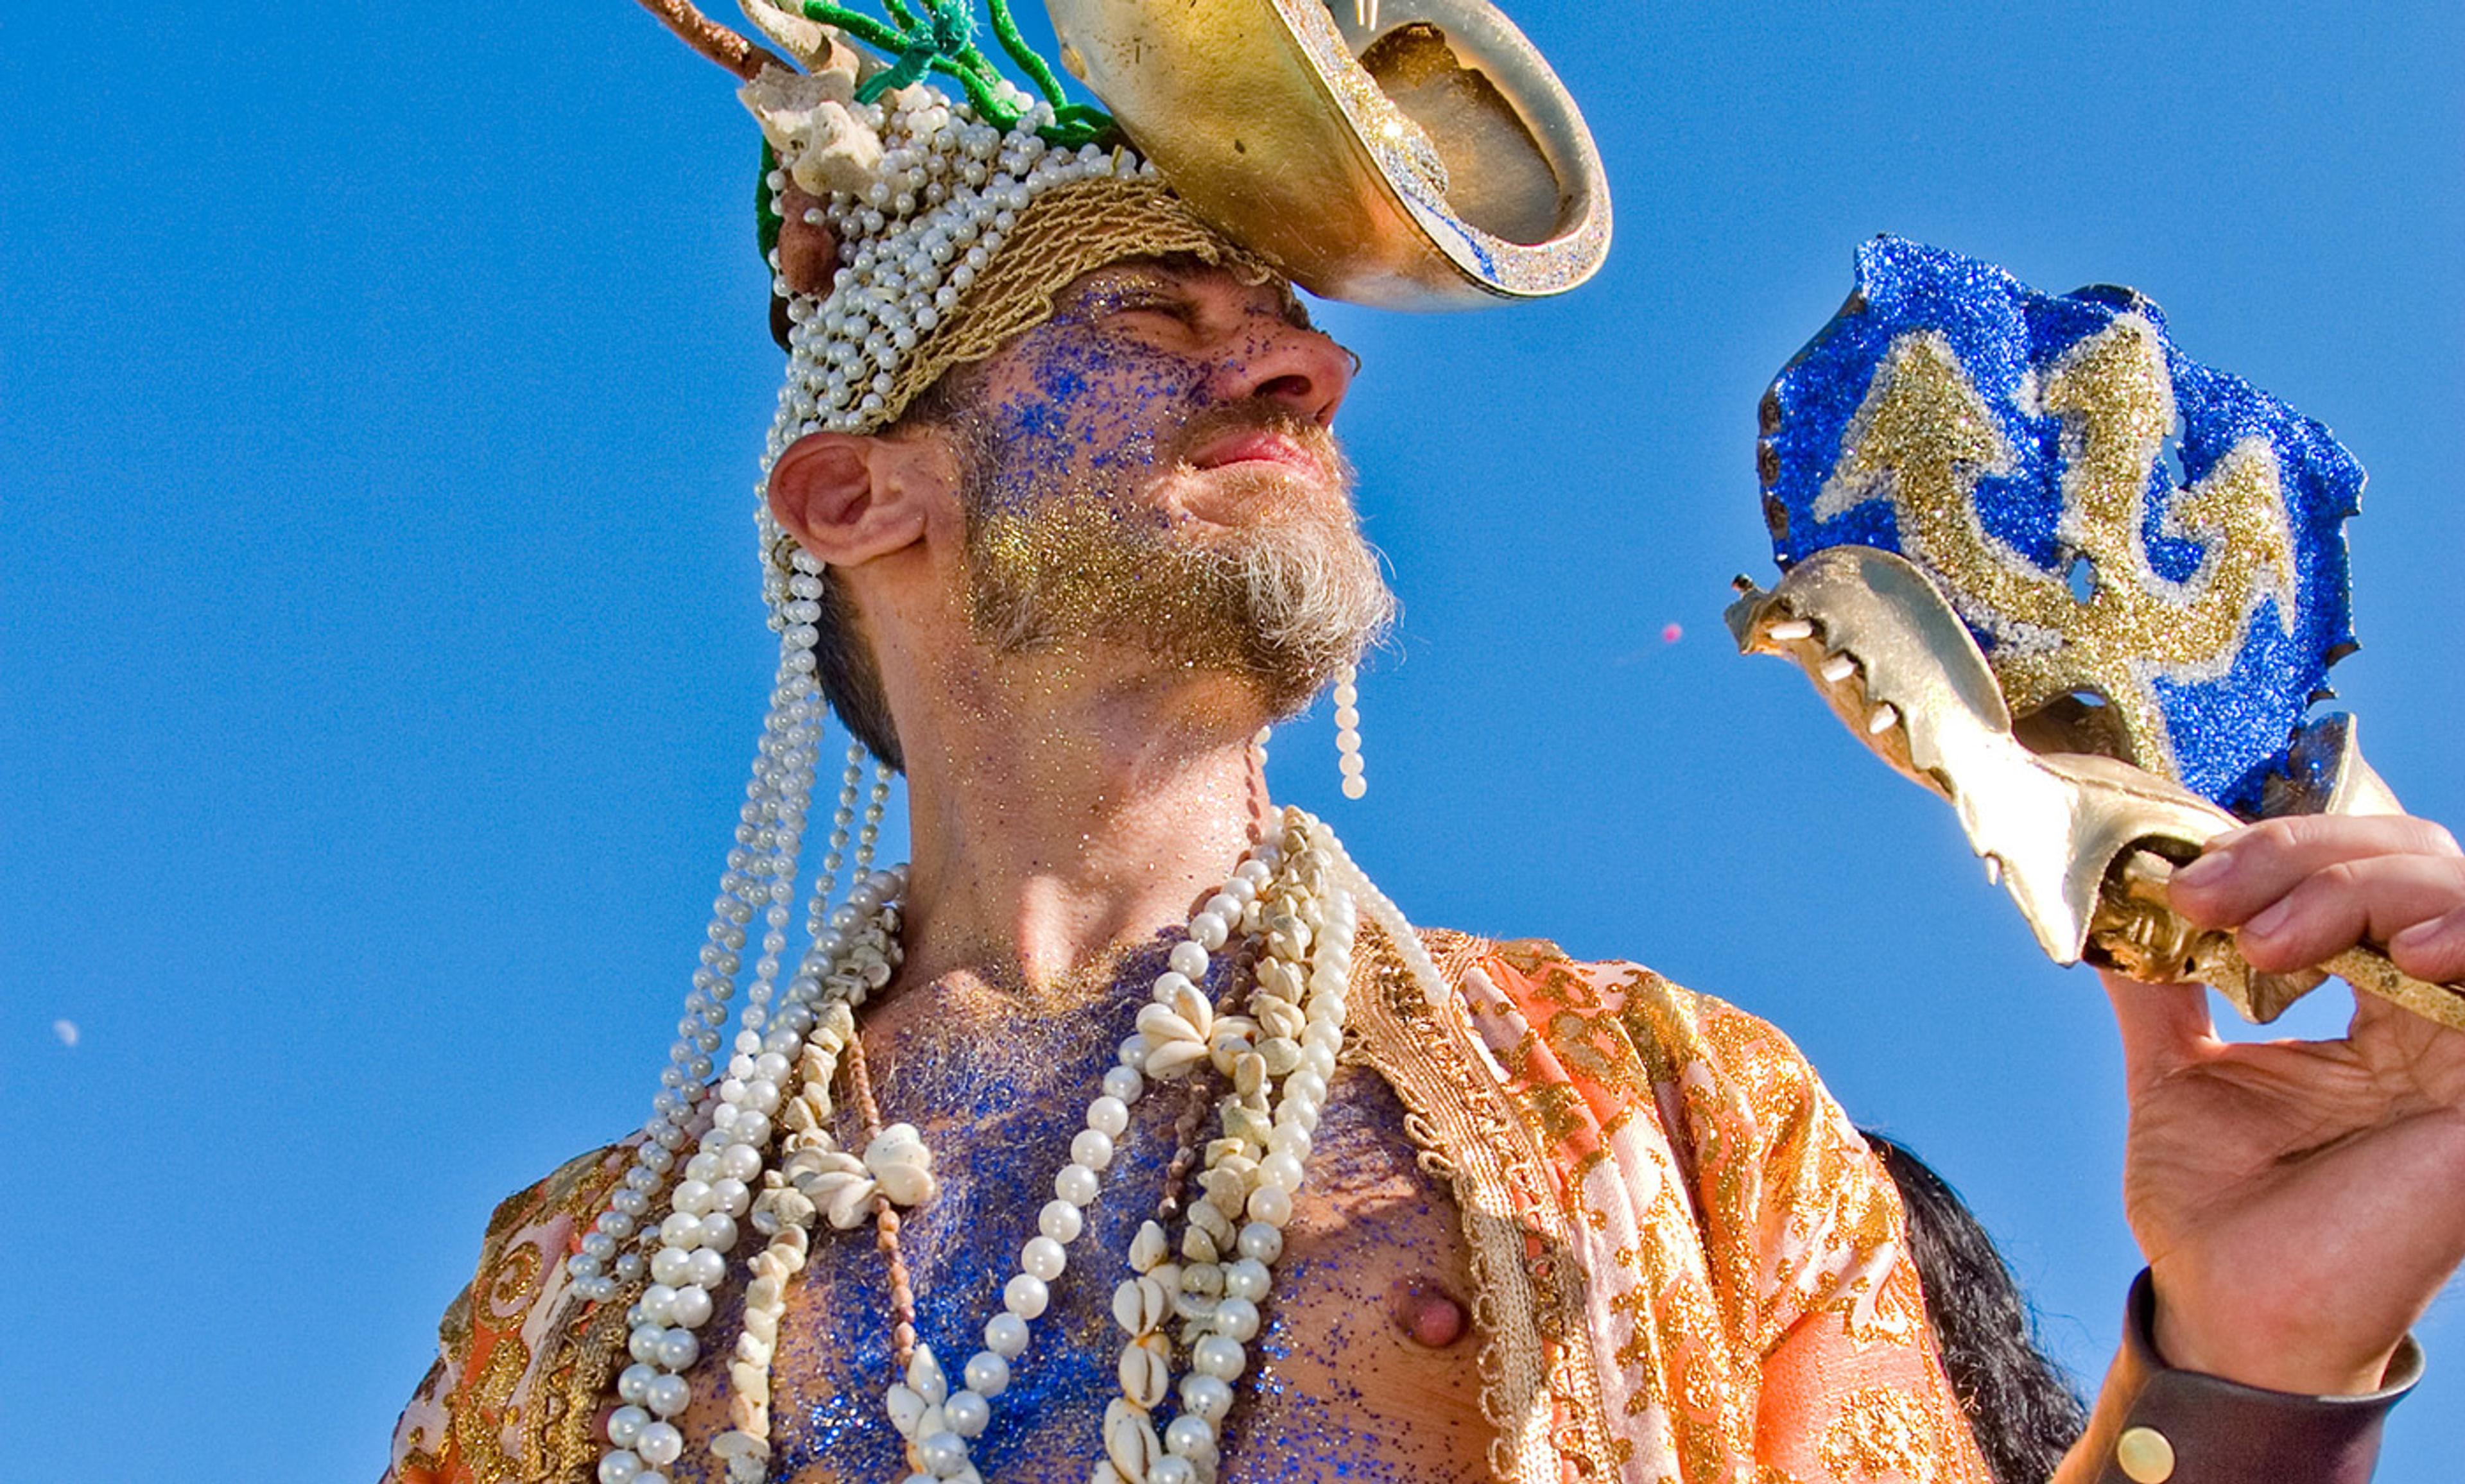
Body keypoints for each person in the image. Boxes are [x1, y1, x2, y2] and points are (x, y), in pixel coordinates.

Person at [382, 4, 2465, 1483]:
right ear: (856, 499)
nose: (1299, 359)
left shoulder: (1670, 1122)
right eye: (1157, 311)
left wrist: (2257, 1374)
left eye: (1287, 317)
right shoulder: (580, 1309)